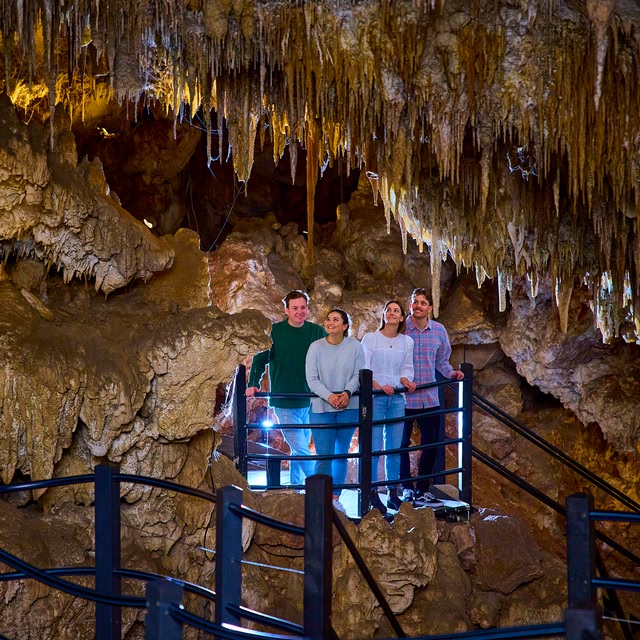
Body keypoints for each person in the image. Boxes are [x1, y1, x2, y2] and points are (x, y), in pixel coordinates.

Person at [247, 290, 326, 487]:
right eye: (295, 308)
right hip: (284, 402)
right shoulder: (275, 332)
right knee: (301, 449)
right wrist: (253, 383)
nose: (300, 311)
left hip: (310, 401)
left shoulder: (317, 332)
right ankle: (321, 489)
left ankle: (297, 489)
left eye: (303, 307)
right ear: (287, 310)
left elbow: (330, 357)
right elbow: (260, 359)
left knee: (300, 448)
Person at [401, 288, 464, 506]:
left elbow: (441, 361)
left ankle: (422, 489)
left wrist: (452, 374)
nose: (418, 306)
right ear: (410, 305)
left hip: (429, 397)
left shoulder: (438, 330)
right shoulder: (401, 329)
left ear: (430, 307)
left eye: (423, 302)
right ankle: (406, 487)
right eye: (415, 302)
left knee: (431, 444)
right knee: (400, 444)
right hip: (403, 398)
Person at [305, 308, 365, 513]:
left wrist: (347, 393)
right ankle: (320, 500)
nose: (330, 322)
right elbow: (312, 378)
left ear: (345, 325)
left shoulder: (355, 347)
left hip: (348, 407)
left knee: (341, 454)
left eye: (336, 319)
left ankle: (335, 498)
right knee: (324, 455)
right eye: (328, 319)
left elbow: (358, 374)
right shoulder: (315, 348)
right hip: (322, 408)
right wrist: (329, 396)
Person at [361, 300, 415, 513]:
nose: (391, 313)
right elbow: (364, 368)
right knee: (374, 448)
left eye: (396, 311)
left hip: (397, 398)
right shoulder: (371, 338)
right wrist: (378, 387)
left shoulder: (407, 342)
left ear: (402, 317)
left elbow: (406, 368)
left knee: (394, 448)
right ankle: (372, 493)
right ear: (383, 315)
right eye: (388, 310)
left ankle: (393, 493)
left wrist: (406, 381)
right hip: (376, 397)